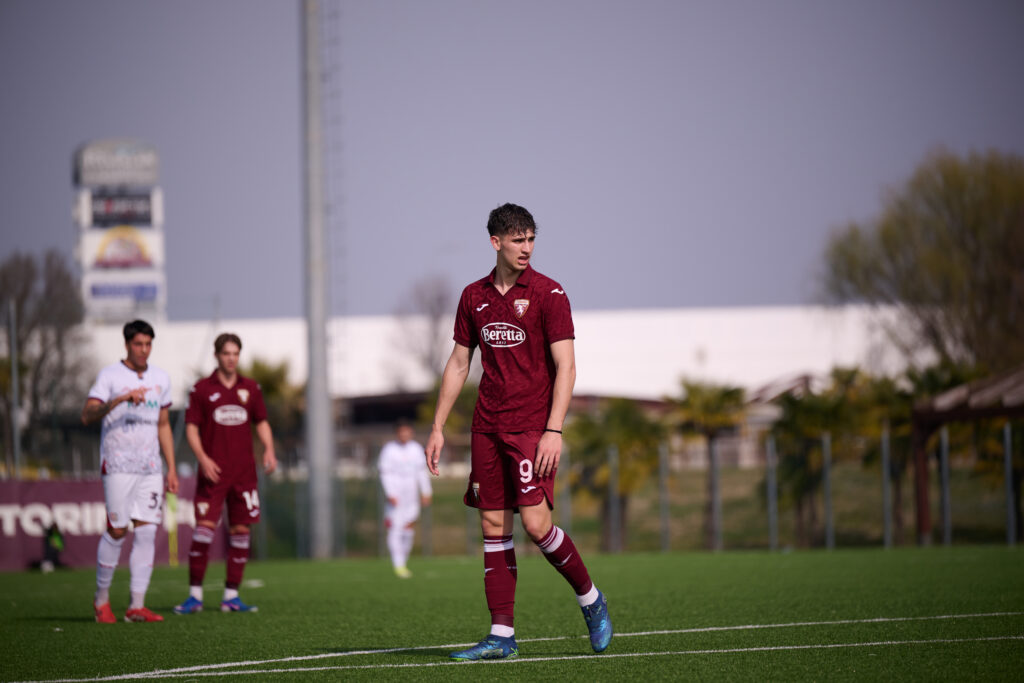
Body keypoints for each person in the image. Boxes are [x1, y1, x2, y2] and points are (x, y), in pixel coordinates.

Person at [425, 202, 613, 660]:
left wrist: (555, 429)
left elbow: (566, 367)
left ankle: (590, 598)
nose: (526, 248)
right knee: (493, 526)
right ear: (496, 242)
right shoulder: (474, 296)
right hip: (486, 426)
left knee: (534, 524)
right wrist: (437, 425)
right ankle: (501, 636)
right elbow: (458, 363)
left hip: (532, 426)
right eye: (517, 240)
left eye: (531, 239)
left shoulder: (550, 294)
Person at [82, 319, 179, 623]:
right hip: (119, 464)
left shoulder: (161, 378)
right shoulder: (110, 376)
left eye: (148, 344)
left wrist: (171, 467)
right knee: (118, 529)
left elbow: (163, 424)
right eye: (138, 344)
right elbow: (88, 414)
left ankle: (137, 605)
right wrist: (120, 399)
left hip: (150, 466)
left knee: (148, 531)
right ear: (127, 344)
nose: (144, 350)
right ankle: (101, 601)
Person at [174, 333, 277, 614]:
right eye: (226, 353)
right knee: (204, 531)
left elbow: (262, 422)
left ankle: (231, 596)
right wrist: (203, 459)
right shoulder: (201, 390)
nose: (231, 358)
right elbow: (192, 428)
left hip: (244, 474)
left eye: (235, 353)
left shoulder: (251, 388)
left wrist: (268, 448)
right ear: (217, 355)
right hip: (214, 473)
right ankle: (194, 595)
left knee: (241, 531)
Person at [378, 421, 432, 578]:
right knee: (395, 528)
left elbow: (421, 473)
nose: (404, 435)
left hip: (411, 495)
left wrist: (426, 492)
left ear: (411, 433)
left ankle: (404, 562)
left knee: (408, 529)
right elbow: (385, 473)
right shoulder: (389, 450)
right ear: (397, 433)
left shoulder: (416, 449)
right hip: (396, 495)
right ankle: (398, 564)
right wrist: (390, 493)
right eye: (401, 432)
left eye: (407, 432)